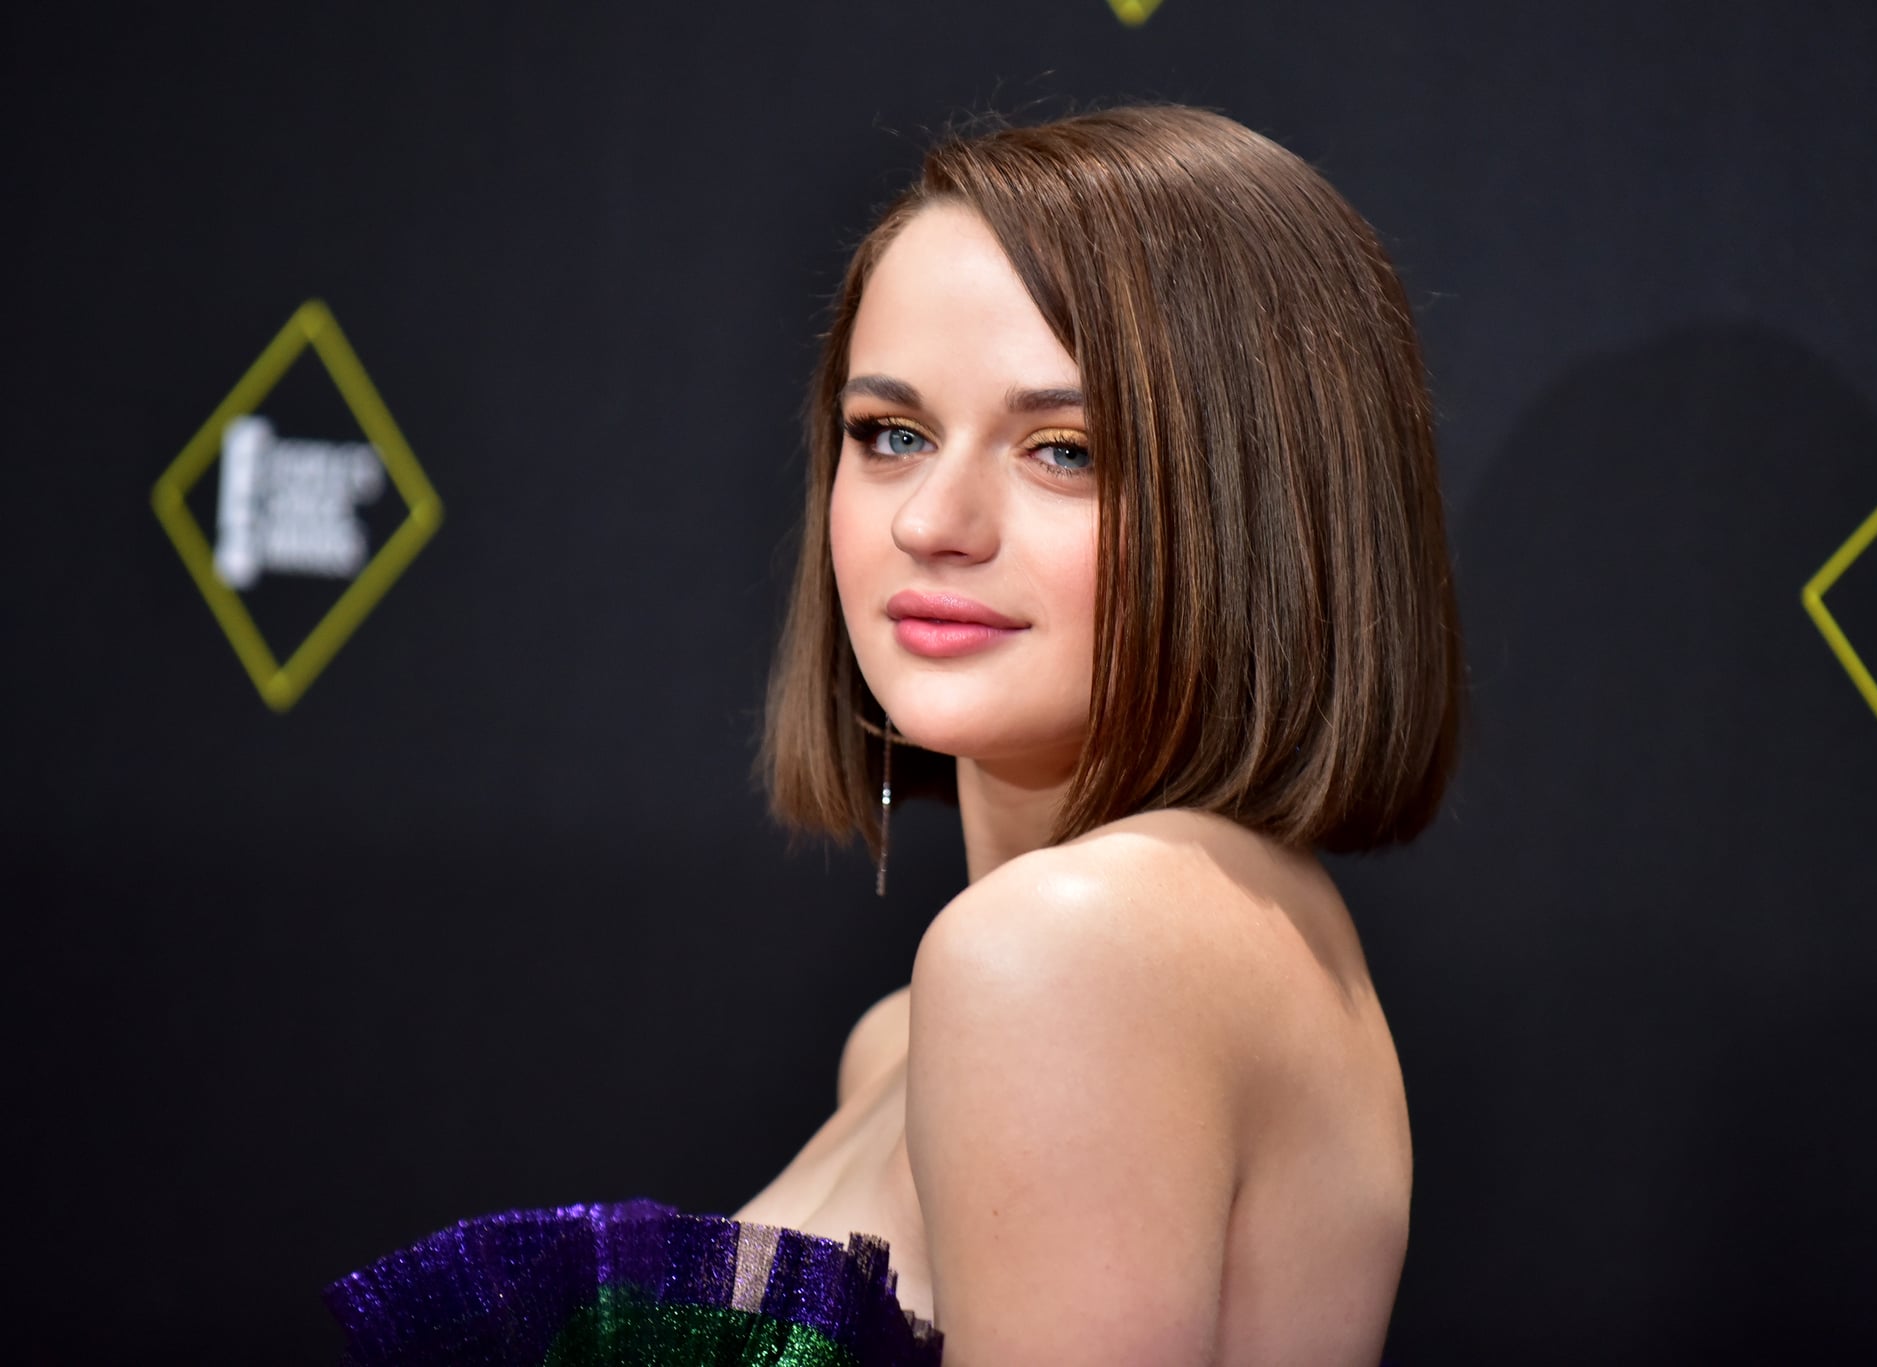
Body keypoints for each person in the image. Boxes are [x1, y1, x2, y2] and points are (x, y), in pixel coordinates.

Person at [327, 104, 1460, 1367]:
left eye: (1065, 450)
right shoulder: (923, 1029)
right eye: (892, 433)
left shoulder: (1067, 951)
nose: (935, 517)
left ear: (1265, 507)